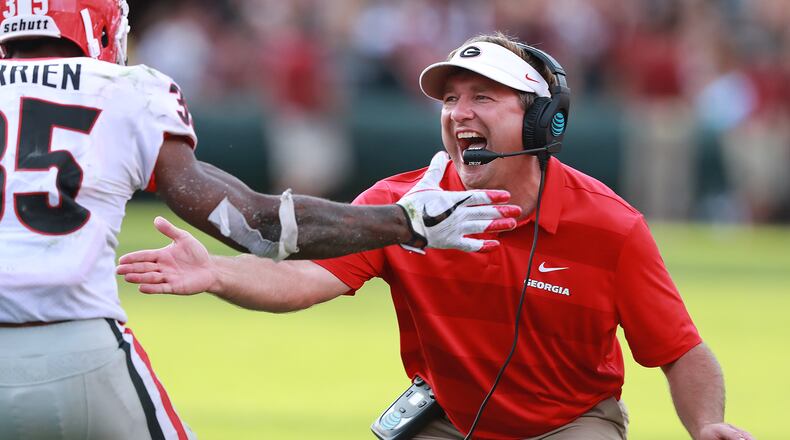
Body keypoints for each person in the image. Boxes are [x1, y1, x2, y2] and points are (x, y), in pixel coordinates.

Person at [117, 32, 754, 440]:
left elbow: (679, 350)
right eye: (450, 100)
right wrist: (218, 273)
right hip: (447, 418)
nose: (459, 114)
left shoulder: (609, 225)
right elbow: (305, 279)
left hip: (570, 423)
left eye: (483, 97)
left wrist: (708, 426)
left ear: (541, 118)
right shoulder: (398, 206)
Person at [0, 2, 521, 439]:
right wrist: (406, 222)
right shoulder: (128, 90)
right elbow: (259, 225)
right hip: (79, 342)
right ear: (104, 26)